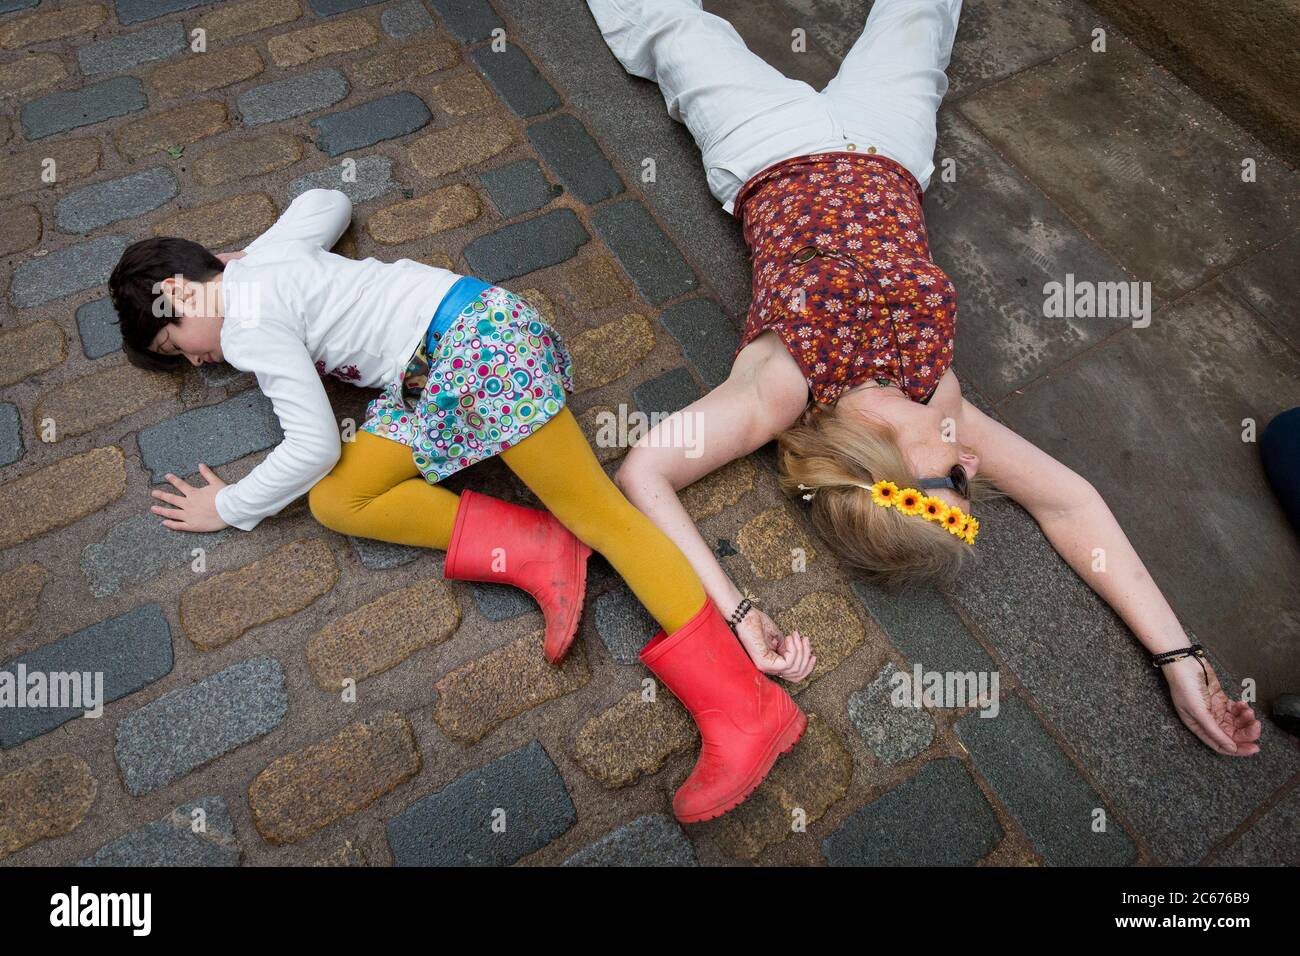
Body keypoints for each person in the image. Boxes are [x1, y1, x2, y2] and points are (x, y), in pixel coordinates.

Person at [588, 0, 1263, 756]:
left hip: (764, 146)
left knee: (675, 30)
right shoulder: (937, 405)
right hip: (889, 146)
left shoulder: (785, 393)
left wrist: (743, 616)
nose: (974, 465)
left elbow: (645, 471)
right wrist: (1180, 659)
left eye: (957, 481)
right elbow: (1072, 503)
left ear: (895, 470)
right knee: (922, 12)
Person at [108, 188, 815, 822]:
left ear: (179, 290)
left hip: (478, 353)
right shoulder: (264, 260)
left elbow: (313, 442)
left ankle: (748, 713)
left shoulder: (247, 324)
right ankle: (542, 547)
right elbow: (327, 201)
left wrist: (229, 506)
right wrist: (244, 255)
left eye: (178, 344)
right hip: (433, 365)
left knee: (606, 515)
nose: (199, 362)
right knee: (341, 498)